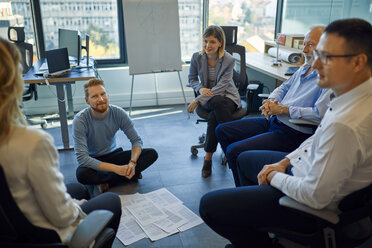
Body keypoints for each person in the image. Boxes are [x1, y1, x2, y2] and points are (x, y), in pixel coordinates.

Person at [199, 18, 372, 248]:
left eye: (326, 57)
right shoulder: (348, 98)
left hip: (304, 203)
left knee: (208, 206)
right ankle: (250, 210)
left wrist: (274, 176)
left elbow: (315, 196)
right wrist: (284, 161)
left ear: (358, 62)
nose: (317, 64)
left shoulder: (348, 124)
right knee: (242, 156)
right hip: (297, 165)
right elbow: (315, 139)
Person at [0, 37, 121, 246]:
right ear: (13, 82)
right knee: (111, 201)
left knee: (77, 187)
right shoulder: (32, 143)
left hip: (10, 230)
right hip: (45, 236)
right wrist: (76, 207)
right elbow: (62, 216)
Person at [215, 25, 331, 186]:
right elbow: (284, 87)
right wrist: (271, 100)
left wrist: (284, 109)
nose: (304, 49)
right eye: (303, 44)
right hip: (274, 121)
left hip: (292, 132)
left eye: (310, 44)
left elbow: (320, 114)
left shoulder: (328, 77)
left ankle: (248, 191)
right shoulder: (305, 67)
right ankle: (247, 181)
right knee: (222, 130)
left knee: (234, 151)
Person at [73, 78, 158, 193]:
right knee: (82, 174)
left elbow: (136, 141)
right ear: (87, 101)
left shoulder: (118, 113)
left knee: (151, 154)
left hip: (115, 155)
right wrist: (117, 169)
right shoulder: (80, 120)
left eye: (103, 94)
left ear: (108, 95)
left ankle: (107, 180)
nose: (101, 99)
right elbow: (82, 158)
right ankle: (128, 176)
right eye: (95, 96)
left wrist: (132, 163)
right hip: (94, 160)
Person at [188, 25, 241, 178]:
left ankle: (208, 159)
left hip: (227, 97)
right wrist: (200, 89)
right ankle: (233, 146)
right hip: (209, 98)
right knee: (216, 104)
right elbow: (191, 79)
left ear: (220, 43)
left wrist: (197, 101)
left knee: (214, 114)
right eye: (205, 41)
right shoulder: (196, 57)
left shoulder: (229, 60)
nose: (207, 45)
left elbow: (221, 87)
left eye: (212, 42)